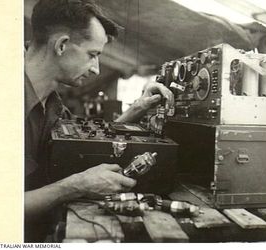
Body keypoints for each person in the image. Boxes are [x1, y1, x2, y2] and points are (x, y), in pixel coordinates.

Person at [24, 0, 174, 242]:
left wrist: (139, 107)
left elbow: (87, 137)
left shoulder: (50, 102)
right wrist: (76, 186)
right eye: (92, 55)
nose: (95, 69)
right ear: (62, 45)